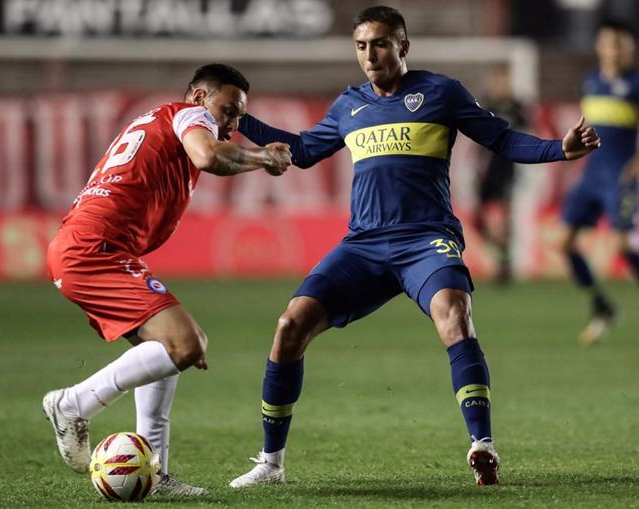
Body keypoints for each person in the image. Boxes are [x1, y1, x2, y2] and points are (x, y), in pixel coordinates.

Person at [227, 5, 600, 488]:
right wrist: (239, 119)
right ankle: (270, 463)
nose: (370, 55)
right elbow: (301, 150)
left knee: (455, 314)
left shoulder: (440, 92)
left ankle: (482, 446)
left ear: (403, 45)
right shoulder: (349, 105)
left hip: (426, 240)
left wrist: (559, 149)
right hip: (363, 244)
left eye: (380, 44)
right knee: (289, 326)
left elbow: (502, 140)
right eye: (361, 46)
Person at [42, 63, 292, 497]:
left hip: (92, 248)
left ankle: (154, 476)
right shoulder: (188, 115)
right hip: (93, 249)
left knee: (165, 350)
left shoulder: (160, 120)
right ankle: (71, 404)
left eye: (236, 117)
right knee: (187, 344)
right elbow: (209, 156)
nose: (231, 125)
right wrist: (263, 158)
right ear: (199, 97)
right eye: (228, 111)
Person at [560, 19, 639, 345]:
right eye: (609, 43)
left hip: (621, 177)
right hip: (592, 175)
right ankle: (601, 306)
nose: (615, 50)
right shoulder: (590, 82)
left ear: (631, 49)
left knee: (621, 246)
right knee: (565, 242)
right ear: (599, 46)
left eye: (621, 44)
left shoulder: (635, 84)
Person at [473, 65, 528, 285]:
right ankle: (499, 256)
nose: (501, 86)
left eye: (505, 81)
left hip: (508, 169)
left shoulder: (518, 108)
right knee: (480, 220)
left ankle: (504, 265)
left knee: (505, 219)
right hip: (486, 170)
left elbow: (529, 136)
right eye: (498, 82)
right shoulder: (487, 106)